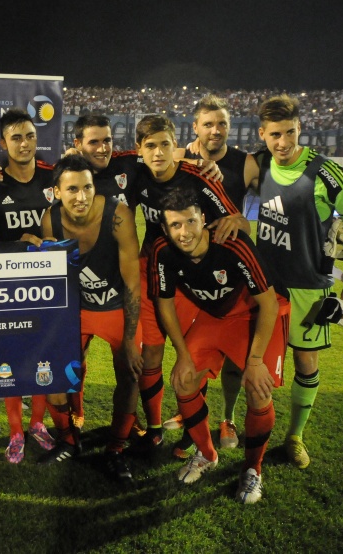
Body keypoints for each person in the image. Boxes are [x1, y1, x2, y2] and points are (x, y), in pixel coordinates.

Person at [255, 94, 343, 469]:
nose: (283, 142)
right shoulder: (257, 165)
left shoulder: (325, 171)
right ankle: (233, 424)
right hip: (265, 287)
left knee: (306, 361)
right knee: (250, 360)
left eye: (290, 132)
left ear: (300, 128)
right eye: (275, 134)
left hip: (309, 287)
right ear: (263, 134)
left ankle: (295, 435)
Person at [151, 185, 289, 503]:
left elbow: (267, 304)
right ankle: (206, 453)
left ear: (203, 218)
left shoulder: (232, 244)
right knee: (183, 379)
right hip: (217, 315)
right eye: (175, 225)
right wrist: (182, 354)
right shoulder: (163, 251)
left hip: (259, 310)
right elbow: (165, 305)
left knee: (257, 388)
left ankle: (253, 469)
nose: (183, 232)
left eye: (189, 222)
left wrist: (254, 362)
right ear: (165, 228)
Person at [133, 115, 247, 453]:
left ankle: (191, 429)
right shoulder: (133, 173)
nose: (157, 152)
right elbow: (93, 163)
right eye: (150, 145)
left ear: (175, 145)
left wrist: (230, 227)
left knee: (193, 359)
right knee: (151, 352)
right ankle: (154, 426)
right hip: (150, 273)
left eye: (165, 144)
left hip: (191, 279)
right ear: (139, 149)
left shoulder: (199, 177)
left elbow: (238, 220)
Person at [166, 95, 264, 457]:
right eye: (208, 124)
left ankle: (229, 417)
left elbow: (271, 209)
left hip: (232, 272)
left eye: (221, 123)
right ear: (195, 127)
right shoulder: (179, 158)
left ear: (229, 126)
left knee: (236, 361)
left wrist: (244, 222)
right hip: (189, 275)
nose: (215, 130)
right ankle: (194, 428)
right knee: (196, 355)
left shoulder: (246, 163)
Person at [40, 154, 143, 480]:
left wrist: (129, 338)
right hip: (77, 310)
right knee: (54, 373)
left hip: (115, 307)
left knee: (129, 373)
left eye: (87, 187)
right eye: (72, 189)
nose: (81, 196)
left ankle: (116, 448)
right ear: (57, 192)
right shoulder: (50, 220)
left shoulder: (118, 215)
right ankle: (68, 439)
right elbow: (53, 279)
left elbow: (131, 281)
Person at [0, 108, 58, 460]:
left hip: (50, 286)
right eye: (16, 138)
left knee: (44, 356)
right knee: (10, 359)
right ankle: (16, 430)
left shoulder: (56, 177)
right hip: (8, 286)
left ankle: (37, 423)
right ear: (3, 143)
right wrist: (18, 244)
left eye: (30, 136)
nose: (24, 144)